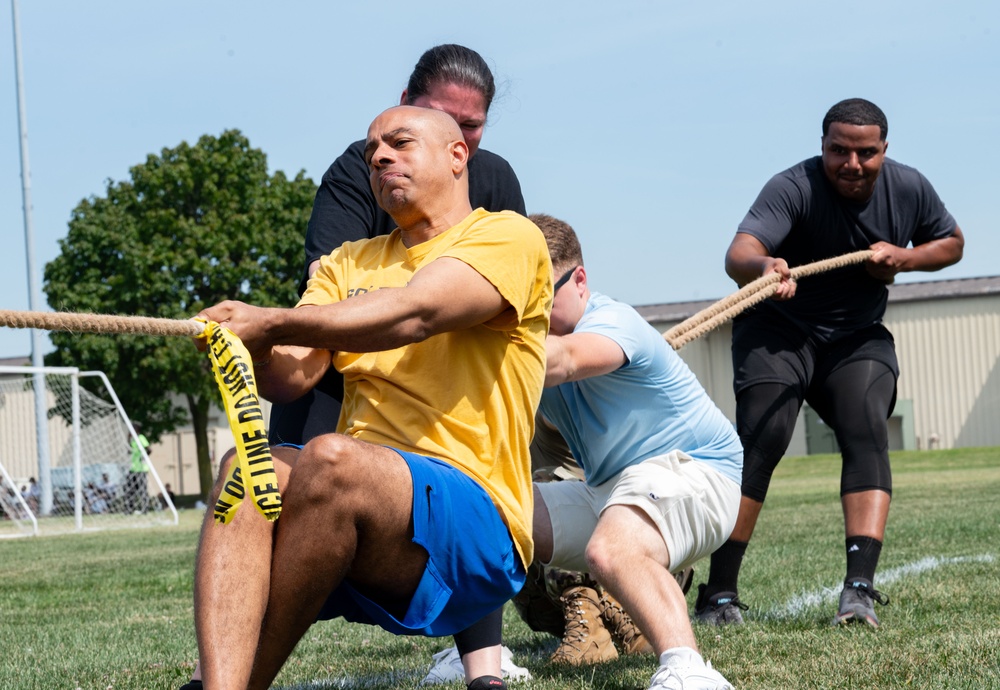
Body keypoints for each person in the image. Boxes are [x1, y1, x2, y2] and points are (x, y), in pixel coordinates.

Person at [181, 106, 551, 690]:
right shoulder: (346, 263)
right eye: (373, 149)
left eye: (400, 143)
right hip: (359, 508)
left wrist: (270, 320)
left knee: (329, 458)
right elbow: (293, 378)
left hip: (479, 523)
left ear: (458, 157)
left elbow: (417, 312)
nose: (378, 156)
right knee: (245, 471)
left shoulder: (508, 236)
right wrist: (249, 347)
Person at [696, 98, 965, 629]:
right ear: (822, 146)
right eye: (839, 150)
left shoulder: (908, 187)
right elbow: (738, 253)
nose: (852, 163)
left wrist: (905, 258)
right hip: (779, 330)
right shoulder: (792, 186)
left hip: (855, 338)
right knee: (765, 435)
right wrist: (764, 265)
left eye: (866, 152)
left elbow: (952, 244)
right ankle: (718, 593)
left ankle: (858, 592)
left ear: (884, 150)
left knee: (867, 427)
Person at [269, 43, 525, 448]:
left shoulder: (500, 194)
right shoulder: (357, 172)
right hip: (339, 374)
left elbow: (505, 296)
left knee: (331, 462)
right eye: (441, 117)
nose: (456, 134)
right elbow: (325, 283)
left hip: (450, 391)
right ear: (406, 104)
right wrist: (267, 342)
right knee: (272, 470)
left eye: (470, 125)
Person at [530, 214, 741, 689]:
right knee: (491, 512)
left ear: (579, 280)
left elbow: (560, 359)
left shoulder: (613, 320)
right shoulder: (534, 340)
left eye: (538, 299)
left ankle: (690, 671)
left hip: (698, 473)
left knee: (610, 550)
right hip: (610, 489)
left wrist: (479, 341)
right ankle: (478, 656)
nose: (529, 317)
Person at [126, 427, 151, 513]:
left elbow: (149, 449)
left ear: (136, 430)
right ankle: (130, 509)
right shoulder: (133, 440)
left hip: (141, 469)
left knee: (142, 490)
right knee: (130, 489)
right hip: (133, 468)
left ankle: (145, 508)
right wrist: (128, 438)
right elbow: (129, 451)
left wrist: (143, 457)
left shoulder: (141, 438)